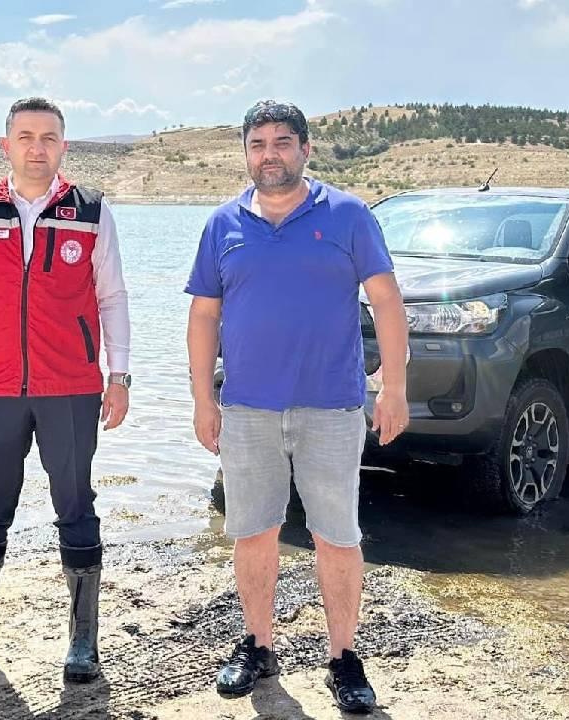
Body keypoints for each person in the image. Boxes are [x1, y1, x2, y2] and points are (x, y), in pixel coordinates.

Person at [185, 100, 410, 713]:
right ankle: (258, 645)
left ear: (305, 149)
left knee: (336, 535)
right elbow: (204, 316)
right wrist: (203, 399)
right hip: (247, 409)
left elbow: (387, 302)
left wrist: (394, 386)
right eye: (258, 144)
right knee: (253, 532)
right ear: (246, 153)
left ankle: (343, 657)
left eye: (282, 142)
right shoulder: (223, 224)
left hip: (331, 408)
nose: (270, 154)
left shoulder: (349, 215)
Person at [0, 97, 130, 683]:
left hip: (70, 386)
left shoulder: (90, 210)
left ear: (63, 146)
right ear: (7, 145)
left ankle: (83, 641)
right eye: (25, 136)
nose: (36, 147)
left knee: (75, 503)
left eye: (48, 137)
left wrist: (119, 375)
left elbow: (112, 296)